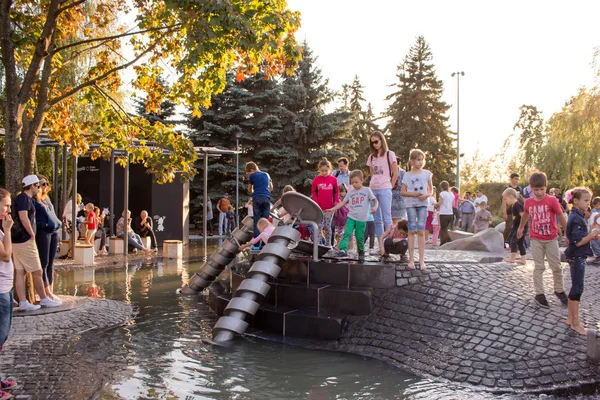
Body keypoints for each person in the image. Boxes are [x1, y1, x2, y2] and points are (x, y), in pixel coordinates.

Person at [517, 172, 569, 308]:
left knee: (556, 266)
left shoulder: (552, 200)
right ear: (531, 188)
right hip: (536, 239)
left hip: (551, 238)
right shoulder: (528, 202)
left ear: (546, 187)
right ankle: (539, 294)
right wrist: (521, 228)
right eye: (536, 189)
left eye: (542, 189)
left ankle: (559, 290)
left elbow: (561, 216)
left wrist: (567, 233)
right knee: (539, 267)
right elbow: (526, 215)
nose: (539, 192)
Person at [11, 175, 61, 310]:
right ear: (32, 186)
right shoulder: (25, 199)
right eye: (37, 186)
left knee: (20, 271)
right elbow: (23, 216)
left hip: (18, 240)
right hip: (25, 240)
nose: (39, 188)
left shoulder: (24, 199)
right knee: (37, 270)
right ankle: (44, 298)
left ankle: (23, 302)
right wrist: (31, 233)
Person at [564, 187, 599, 335]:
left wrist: (590, 235)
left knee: (575, 287)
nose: (588, 203)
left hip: (576, 255)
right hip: (577, 256)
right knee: (578, 288)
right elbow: (578, 242)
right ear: (576, 201)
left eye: (588, 201)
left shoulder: (577, 215)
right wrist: (592, 234)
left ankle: (571, 318)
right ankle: (576, 322)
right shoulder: (577, 218)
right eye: (585, 201)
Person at [327, 170, 378, 260]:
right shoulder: (350, 192)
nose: (354, 184)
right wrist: (333, 209)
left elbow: (375, 200)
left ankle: (361, 251)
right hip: (351, 217)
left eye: (356, 182)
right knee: (347, 233)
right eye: (352, 182)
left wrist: (375, 207)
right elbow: (342, 202)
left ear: (362, 181)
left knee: (359, 236)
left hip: (361, 219)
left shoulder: (367, 190)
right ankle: (343, 250)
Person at [400, 149, 433, 270]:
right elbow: (402, 192)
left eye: (422, 159)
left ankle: (422, 260)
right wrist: (413, 194)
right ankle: (411, 259)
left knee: (421, 230)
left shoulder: (427, 174)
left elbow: (431, 190)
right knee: (411, 230)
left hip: (423, 204)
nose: (420, 162)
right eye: (418, 159)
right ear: (412, 161)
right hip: (411, 205)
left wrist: (427, 195)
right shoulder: (407, 175)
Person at [0, 188, 19, 396]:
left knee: (2, 339)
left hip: (5, 290)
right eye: (6, 205)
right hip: (0, 292)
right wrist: (8, 230)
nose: (9, 209)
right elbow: (5, 255)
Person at [367, 131, 398, 249]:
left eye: (376, 141)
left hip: (385, 189)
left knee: (387, 217)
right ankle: (381, 245)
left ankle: (389, 243)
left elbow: (396, 172)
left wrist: (390, 185)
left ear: (381, 140)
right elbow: (372, 174)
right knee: (377, 220)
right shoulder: (371, 156)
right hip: (373, 189)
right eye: (372, 143)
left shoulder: (390, 154)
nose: (374, 144)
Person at [34, 175, 62, 300]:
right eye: (43, 184)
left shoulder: (47, 198)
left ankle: (50, 290)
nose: (46, 186)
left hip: (54, 231)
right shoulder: (34, 200)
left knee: (51, 263)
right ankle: (45, 293)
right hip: (43, 232)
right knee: (44, 262)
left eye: (47, 183)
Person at [311, 158, 339, 247]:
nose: (324, 173)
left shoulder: (333, 179)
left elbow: (336, 191)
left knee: (327, 227)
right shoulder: (316, 179)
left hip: (329, 208)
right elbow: (313, 191)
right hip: (319, 208)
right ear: (319, 170)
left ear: (330, 169)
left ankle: (328, 245)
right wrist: (316, 202)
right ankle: (317, 245)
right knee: (319, 226)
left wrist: (336, 201)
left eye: (326, 171)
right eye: (322, 171)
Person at [246, 161, 273, 238]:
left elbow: (249, 189)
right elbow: (271, 188)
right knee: (265, 221)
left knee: (257, 221)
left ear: (251, 170)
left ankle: (257, 243)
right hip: (266, 198)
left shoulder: (253, 176)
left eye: (249, 173)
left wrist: (254, 192)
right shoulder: (267, 175)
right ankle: (266, 240)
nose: (249, 174)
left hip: (257, 198)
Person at [502, 188, 527, 265]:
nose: (505, 201)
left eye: (505, 199)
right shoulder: (513, 206)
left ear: (510, 197)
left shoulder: (517, 205)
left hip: (519, 227)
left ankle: (512, 258)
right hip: (517, 226)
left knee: (513, 240)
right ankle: (523, 259)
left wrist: (522, 227)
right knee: (520, 243)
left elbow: (523, 215)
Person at [502, 173, 523, 243]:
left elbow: (522, 199)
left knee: (517, 226)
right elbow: (504, 201)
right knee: (508, 227)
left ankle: (515, 242)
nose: (517, 180)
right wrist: (504, 212)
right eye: (515, 179)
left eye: (518, 179)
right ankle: (503, 241)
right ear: (511, 179)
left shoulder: (519, 188)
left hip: (518, 210)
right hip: (509, 211)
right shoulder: (507, 188)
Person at [436, 181, 455, 245]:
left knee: (443, 229)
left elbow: (440, 203)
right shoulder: (451, 194)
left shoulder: (442, 193)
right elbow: (453, 204)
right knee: (445, 228)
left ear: (441, 187)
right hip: (450, 213)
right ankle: (444, 241)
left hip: (444, 213)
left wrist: (435, 205)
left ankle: (447, 241)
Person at [391, 158, 407, 224]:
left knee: (397, 221)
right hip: (392, 197)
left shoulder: (403, 173)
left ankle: (396, 234)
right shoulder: (388, 172)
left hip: (399, 199)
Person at [334, 184, 351, 250]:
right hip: (340, 222)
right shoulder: (338, 200)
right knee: (340, 234)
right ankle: (338, 246)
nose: (341, 193)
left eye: (342, 191)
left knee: (346, 235)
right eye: (339, 191)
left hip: (346, 221)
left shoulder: (348, 200)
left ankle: (340, 246)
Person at [589, 197, 600, 263]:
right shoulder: (593, 211)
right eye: (595, 205)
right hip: (595, 228)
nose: (597, 207)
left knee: (593, 240)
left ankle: (598, 255)